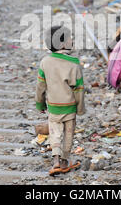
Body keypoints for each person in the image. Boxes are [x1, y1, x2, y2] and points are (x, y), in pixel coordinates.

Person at [36, 26, 85, 176]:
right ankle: (65, 161)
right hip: (69, 107)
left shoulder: (45, 62)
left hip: (53, 107)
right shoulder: (74, 63)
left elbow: (40, 86)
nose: (72, 41)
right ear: (62, 44)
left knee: (55, 133)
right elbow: (79, 89)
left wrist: (40, 103)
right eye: (70, 39)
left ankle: (56, 161)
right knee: (68, 134)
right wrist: (80, 108)